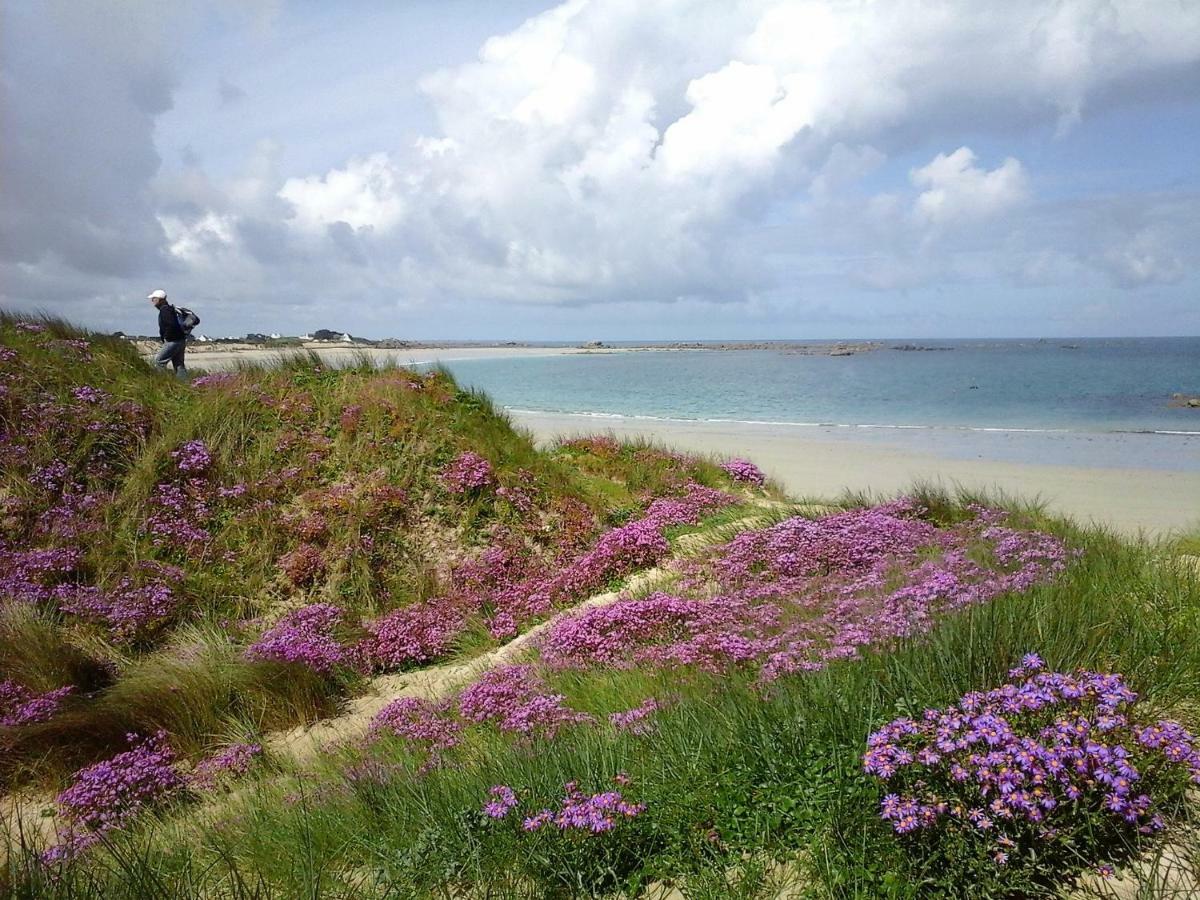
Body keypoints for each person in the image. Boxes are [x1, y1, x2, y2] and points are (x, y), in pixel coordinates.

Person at [148, 289, 188, 379]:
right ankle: (185, 385)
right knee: (179, 365)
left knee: (159, 362)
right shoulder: (169, 309)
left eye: (154, 298)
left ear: (160, 299)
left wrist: (167, 337)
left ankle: (161, 383)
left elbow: (171, 325)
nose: (152, 301)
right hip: (180, 340)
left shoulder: (165, 310)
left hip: (173, 341)